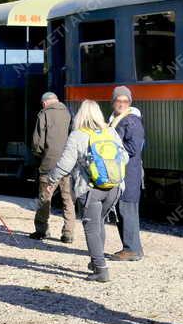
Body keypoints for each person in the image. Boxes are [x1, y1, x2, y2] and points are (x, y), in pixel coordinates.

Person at [47, 100, 128, 283]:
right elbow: (124, 158)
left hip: (90, 188)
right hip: (113, 187)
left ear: (80, 115)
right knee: (99, 223)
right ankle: (96, 260)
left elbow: (65, 165)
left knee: (91, 227)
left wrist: (51, 180)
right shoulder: (110, 131)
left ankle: (101, 270)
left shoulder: (77, 135)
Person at [30, 92, 75, 243]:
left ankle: (42, 230)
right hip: (67, 164)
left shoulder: (43, 115)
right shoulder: (69, 113)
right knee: (67, 199)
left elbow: (38, 143)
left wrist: (39, 155)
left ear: (44, 103)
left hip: (49, 163)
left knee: (45, 197)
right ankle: (68, 233)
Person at [108, 86, 145, 261]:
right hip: (123, 171)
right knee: (123, 208)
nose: (121, 104)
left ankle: (132, 249)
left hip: (128, 173)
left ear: (129, 103)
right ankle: (130, 247)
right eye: (118, 100)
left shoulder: (130, 121)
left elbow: (133, 148)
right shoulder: (117, 120)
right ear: (113, 102)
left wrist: (111, 150)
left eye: (125, 101)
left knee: (126, 208)